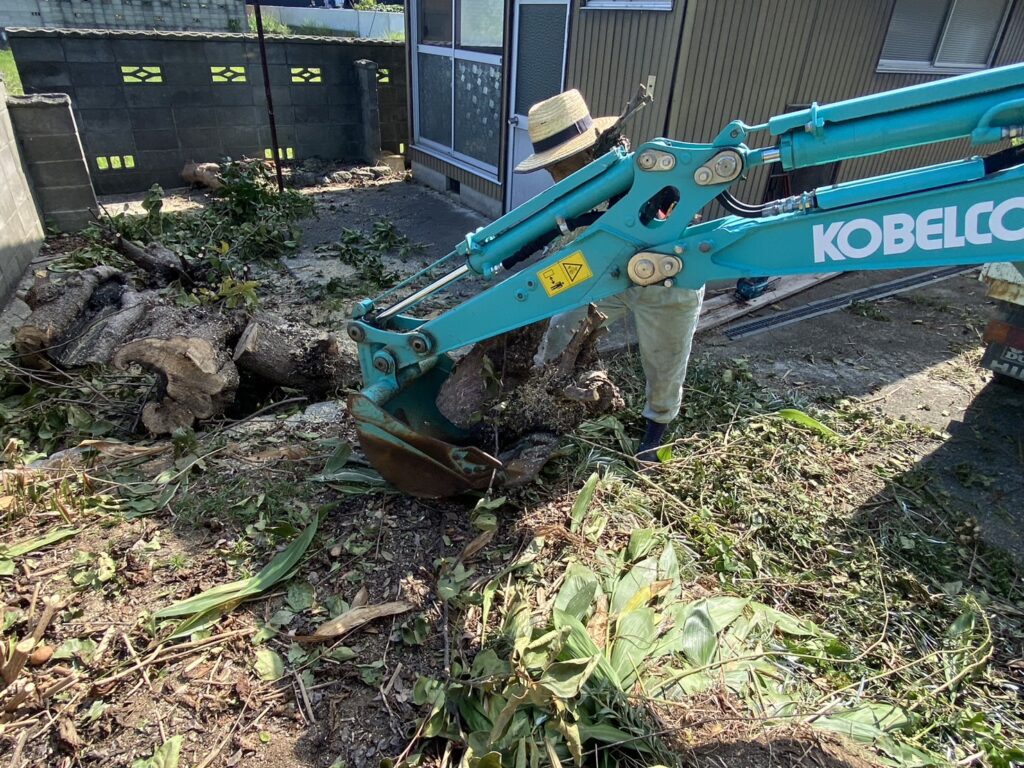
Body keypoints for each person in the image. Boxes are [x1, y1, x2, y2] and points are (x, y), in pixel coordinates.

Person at [514, 90, 704, 462]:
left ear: (586, 151)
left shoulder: (647, 173)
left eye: (559, 164)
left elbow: (673, 210)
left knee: (665, 361)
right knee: (561, 328)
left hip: (667, 279)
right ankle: (542, 405)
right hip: (610, 274)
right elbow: (554, 229)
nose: (553, 174)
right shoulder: (579, 190)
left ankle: (655, 434)